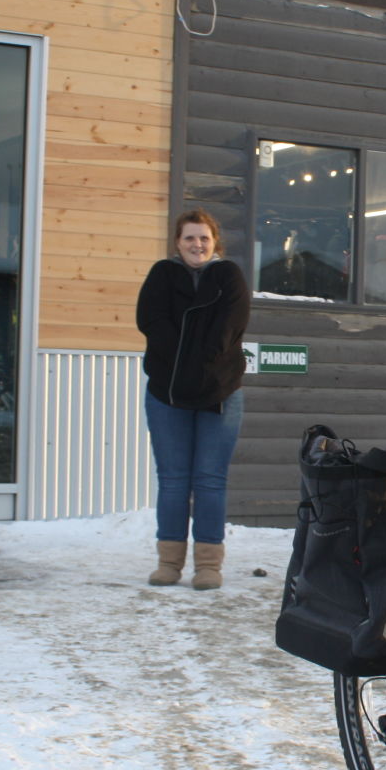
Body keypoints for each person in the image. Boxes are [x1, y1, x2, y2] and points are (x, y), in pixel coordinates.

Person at [137, 209, 251, 590]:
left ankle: (208, 566)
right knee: (172, 481)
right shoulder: (162, 275)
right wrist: (182, 365)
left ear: (214, 241)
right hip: (166, 393)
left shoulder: (229, 276)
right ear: (177, 242)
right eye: (189, 238)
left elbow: (228, 329)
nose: (197, 244)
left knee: (209, 481)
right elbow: (151, 322)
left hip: (220, 392)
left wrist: (200, 366)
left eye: (203, 238)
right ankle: (168, 563)